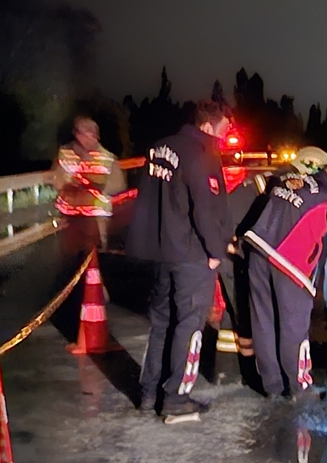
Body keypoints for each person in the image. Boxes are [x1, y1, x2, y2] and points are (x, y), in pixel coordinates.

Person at [128, 100, 233, 418]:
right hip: (191, 254)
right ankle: (176, 397)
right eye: (223, 130)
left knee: (161, 322)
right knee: (189, 324)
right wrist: (216, 251)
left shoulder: (159, 148)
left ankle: (150, 392)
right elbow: (204, 206)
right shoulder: (201, 152)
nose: (223, 138)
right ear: (208, 126)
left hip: (161, 252)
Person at [243, 157, 327, 399]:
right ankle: (299, 386)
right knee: (294, 329)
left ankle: (272, 386)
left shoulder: (293, 180)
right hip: (290, 264)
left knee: (264, 324)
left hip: (258, 250)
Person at [52, 116, 126, 258]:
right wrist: (67, 184)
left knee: (93, 260)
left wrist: (96, 186)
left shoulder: (106, 158)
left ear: (95, 136)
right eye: (81, 133)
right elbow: (57, 179)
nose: (84, 137)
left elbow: (118, 185)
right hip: (69, 219)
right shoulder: (66, 153)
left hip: (95, 220)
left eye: (88, 134)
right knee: (71, 261)